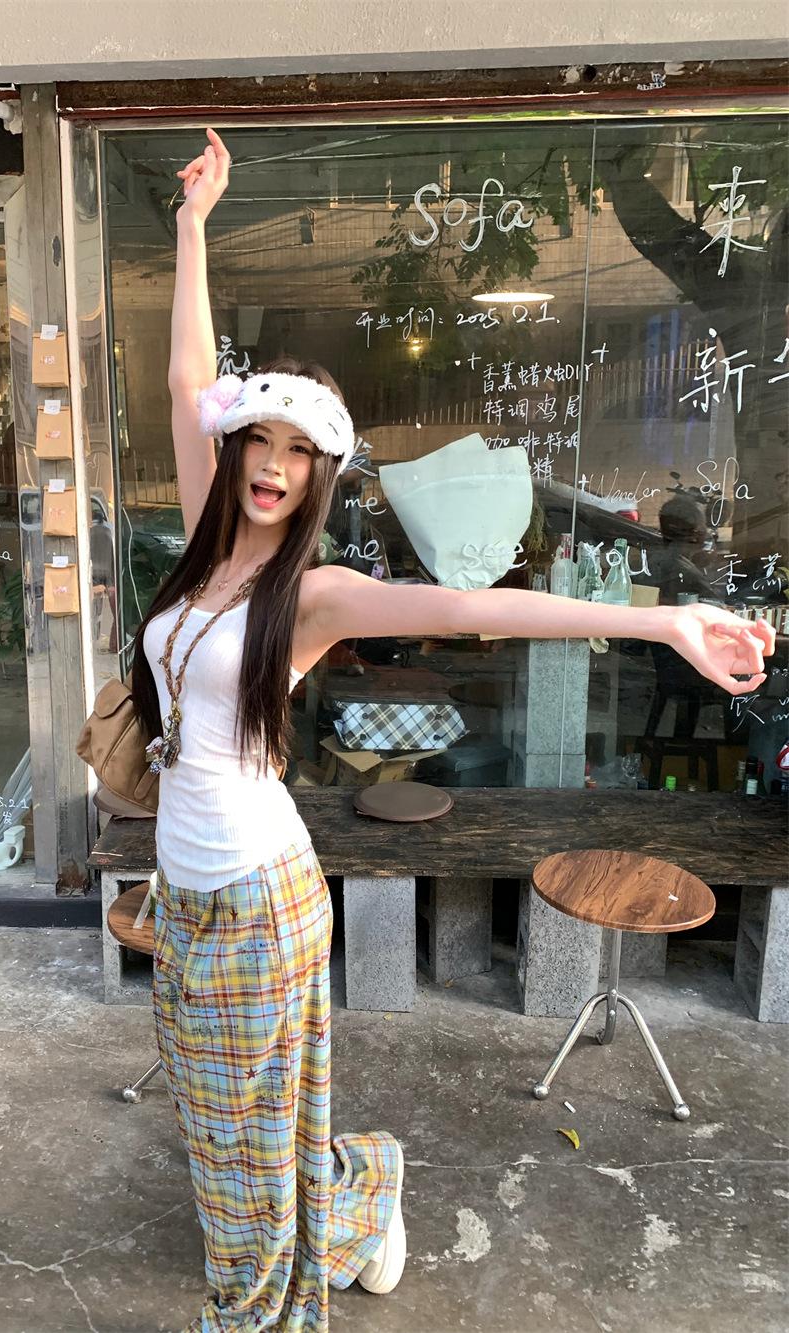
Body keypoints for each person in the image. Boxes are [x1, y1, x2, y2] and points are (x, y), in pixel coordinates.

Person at [129, 128, 774, 1333]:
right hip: (187, 893)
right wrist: (192, 228)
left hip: (261, 898)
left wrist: (661, 620)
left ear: (319, 476)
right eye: (258, 440)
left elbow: (476, 607)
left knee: (243, 1165)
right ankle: (360, 1203)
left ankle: (254, 1313)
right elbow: (182, 382)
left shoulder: (312, 596)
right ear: (232, 446)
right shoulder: (205, 543)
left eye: (298, 453)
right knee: (236, 1132)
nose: (271, 467)